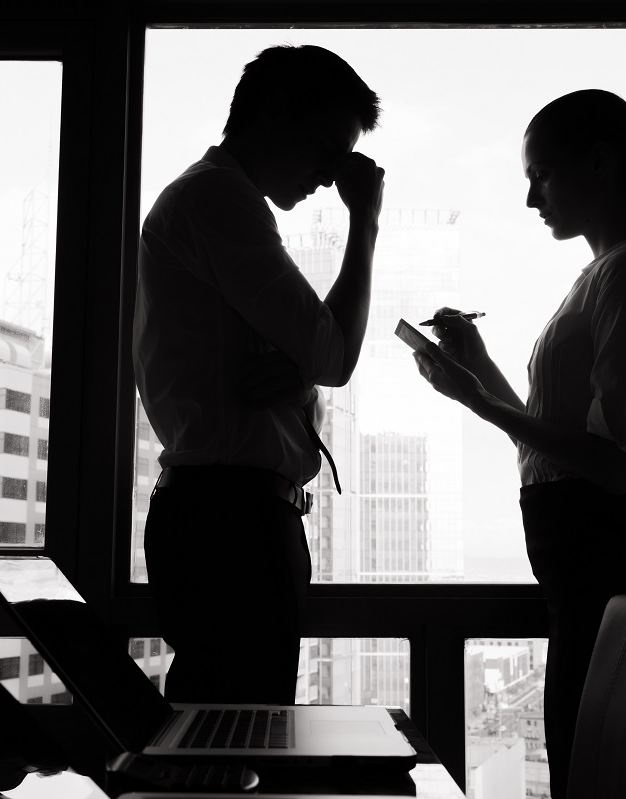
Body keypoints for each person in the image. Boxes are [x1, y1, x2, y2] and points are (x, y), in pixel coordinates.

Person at [411, 89, 626, 799]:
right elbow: (553, 446)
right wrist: (475, 363)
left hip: (603, 563)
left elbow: (609, 460)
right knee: (581, 771)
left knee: (588, 775)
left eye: (541, 172)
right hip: (585, 567)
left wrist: (477, 401)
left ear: (599, 164)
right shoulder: (605, 274)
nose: (531, 196)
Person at [133, 44, 385, 704]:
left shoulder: (216, 200)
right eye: (327, 151)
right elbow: (332, 355)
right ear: (274, 115)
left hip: (230, 516)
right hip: (231, 525)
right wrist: (366, 221)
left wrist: (299, 374)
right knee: (234, 740)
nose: (331, 177)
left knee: (233, 728)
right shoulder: (220, 200)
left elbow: (306, 366)